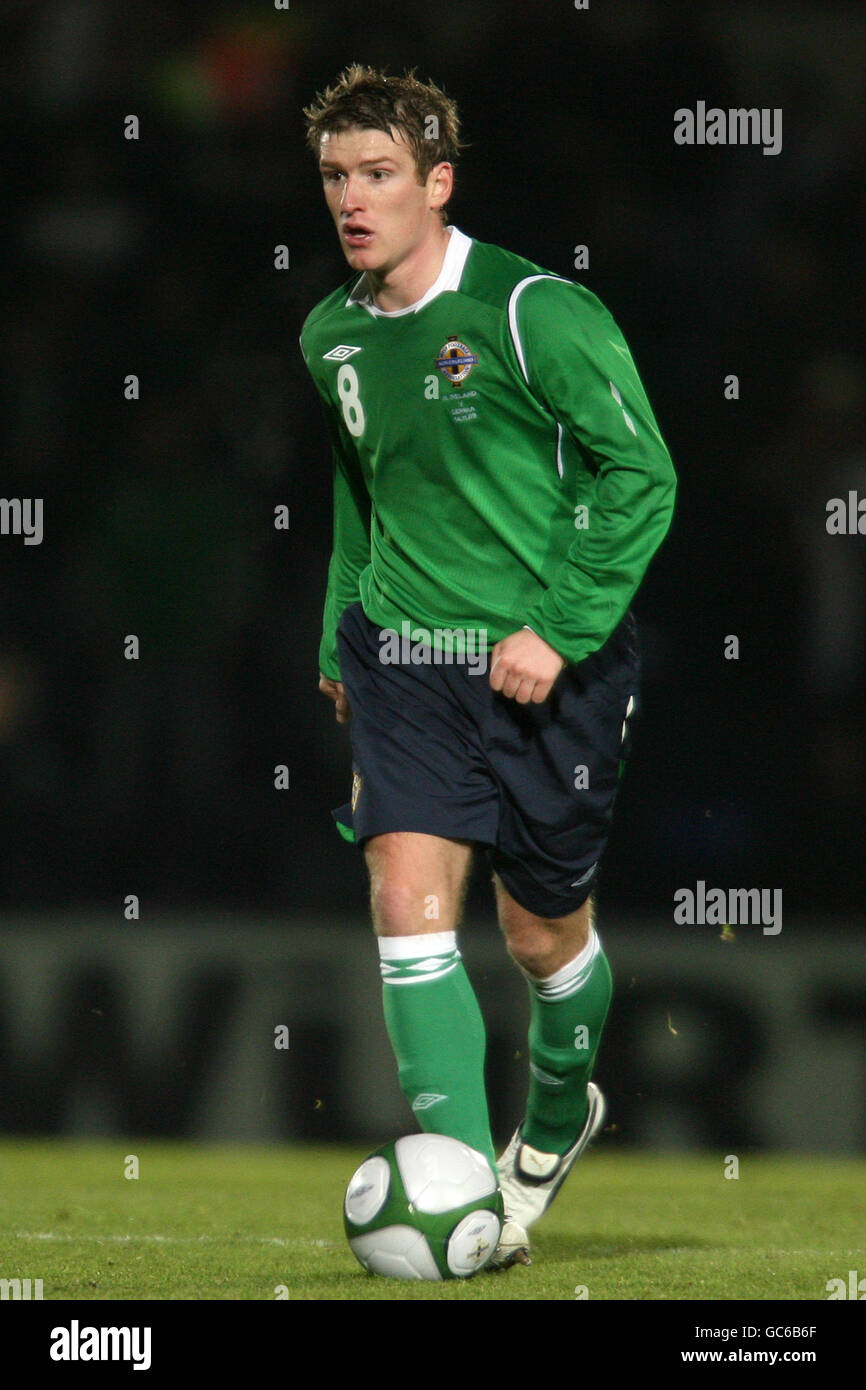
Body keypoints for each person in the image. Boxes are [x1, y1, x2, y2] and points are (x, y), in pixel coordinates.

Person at [300, 64, 676, 1268]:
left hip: (544, 670)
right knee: (405, 907)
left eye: (377, 176)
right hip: (405, 653)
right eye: (334, 178)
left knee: (536, 938)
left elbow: (642, 475)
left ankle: (558, 1117)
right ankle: (469, 1193)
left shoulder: (531, 311)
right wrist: (337, 636)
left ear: (436, 184)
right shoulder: (331, 333)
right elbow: (363, 495)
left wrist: (560, 627)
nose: (352, 201)